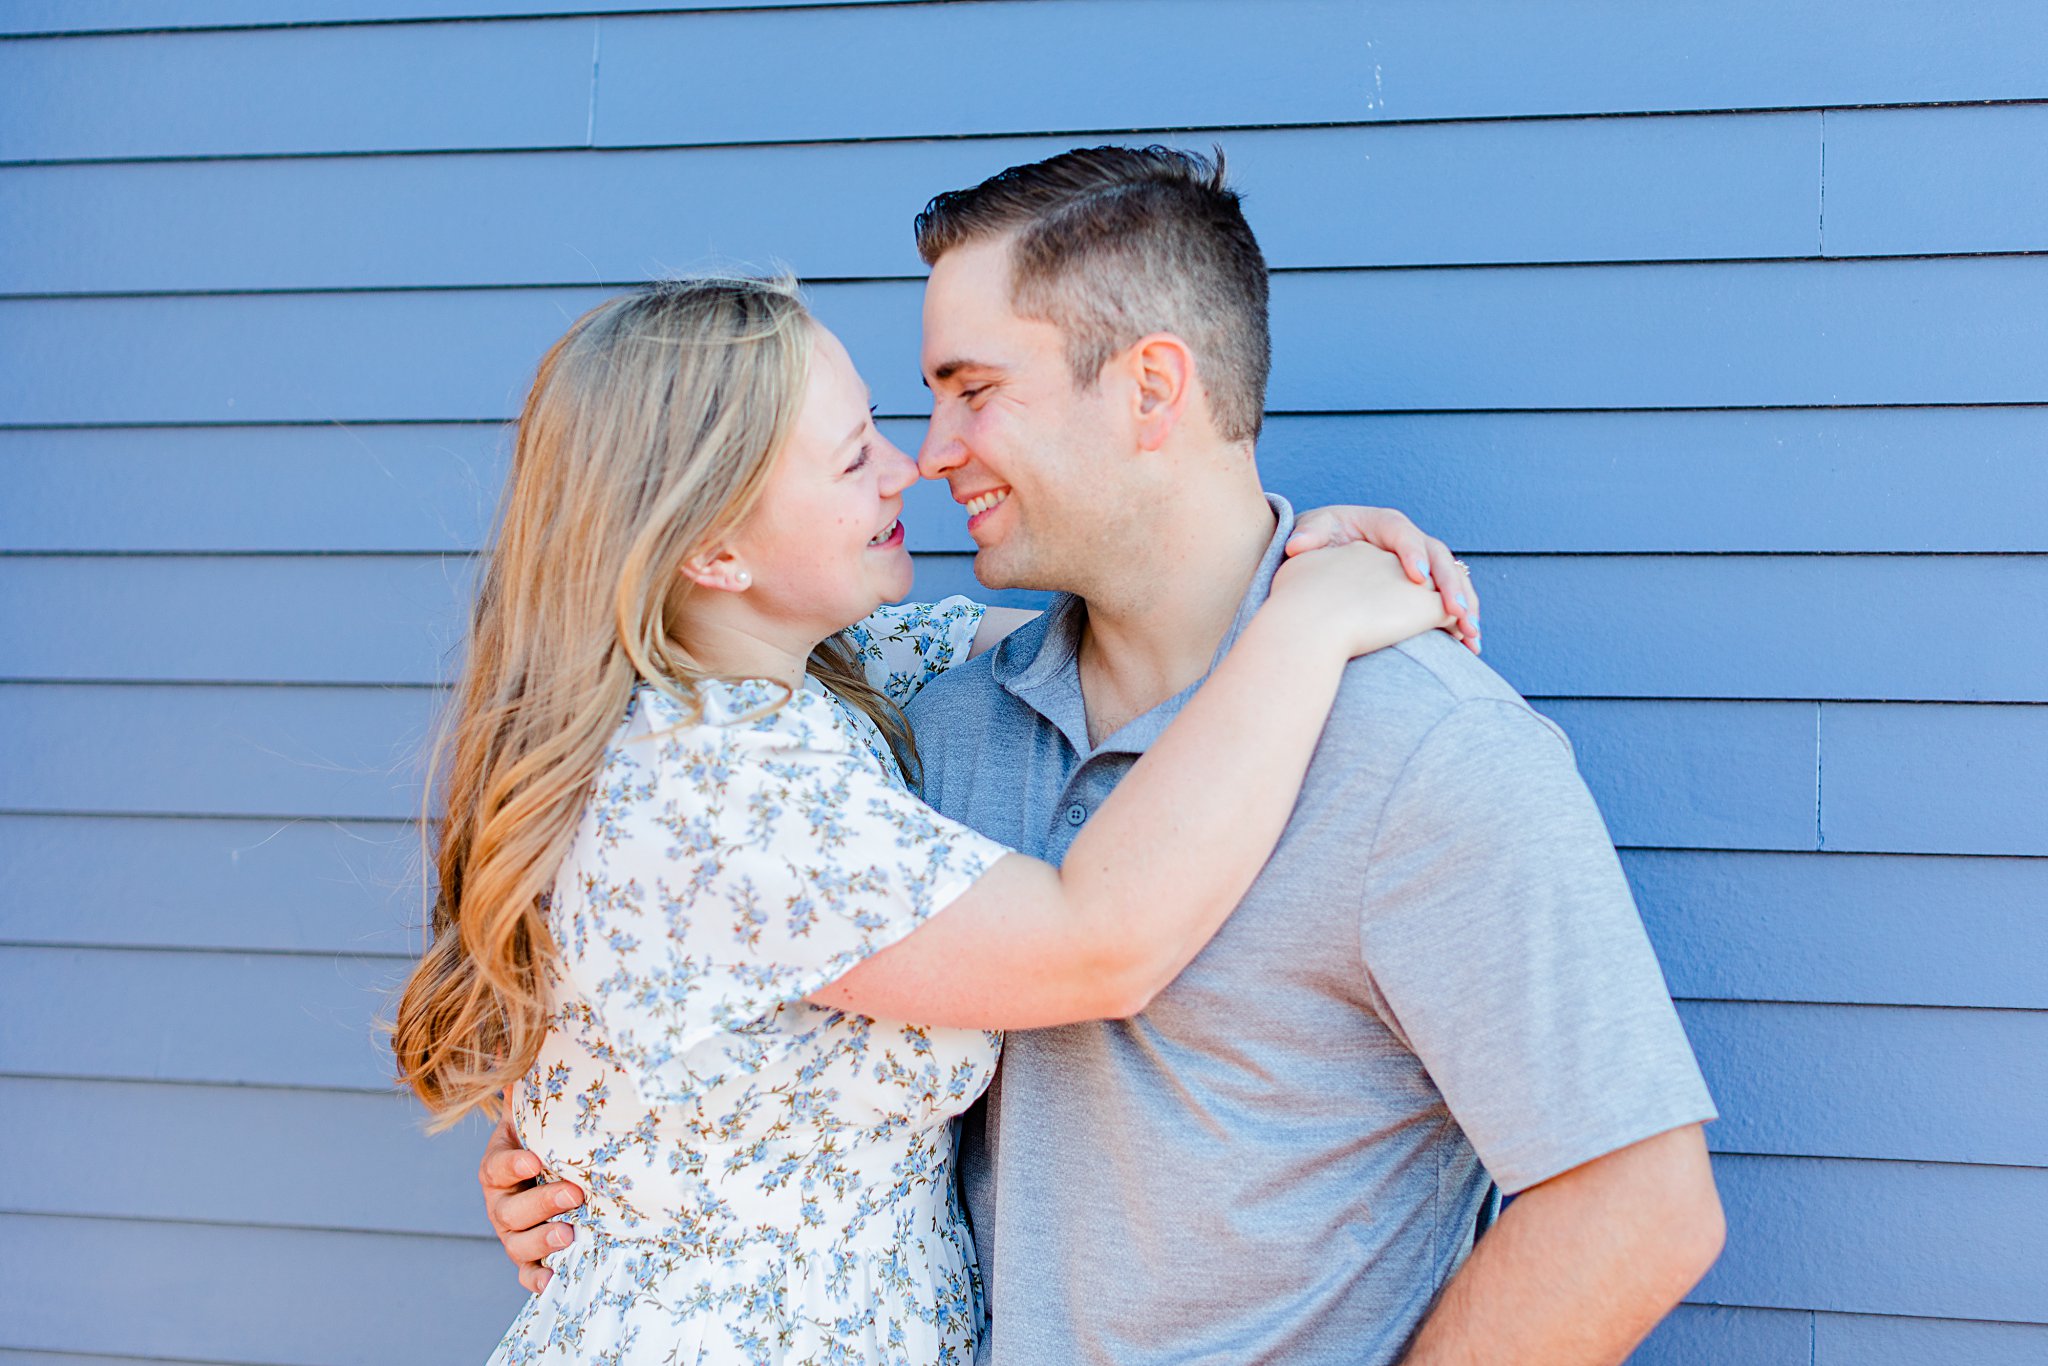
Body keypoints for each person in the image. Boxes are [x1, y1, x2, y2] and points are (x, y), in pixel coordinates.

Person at [485, 147, 1726, 1365]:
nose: (932, 451)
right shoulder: (927, 721)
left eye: (973, 389)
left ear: (1148, 390)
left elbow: (1640, 1212)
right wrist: (612, 1175)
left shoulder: (1423, 748)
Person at [395, 274, 1475, 1363]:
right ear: (714, 552)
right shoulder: (716, 787)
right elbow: (1099, 943)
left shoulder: (821, 682)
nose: (906, 465)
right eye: (851, 452)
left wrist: (1281, 560)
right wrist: (1307, 627)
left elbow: (1143, 643)